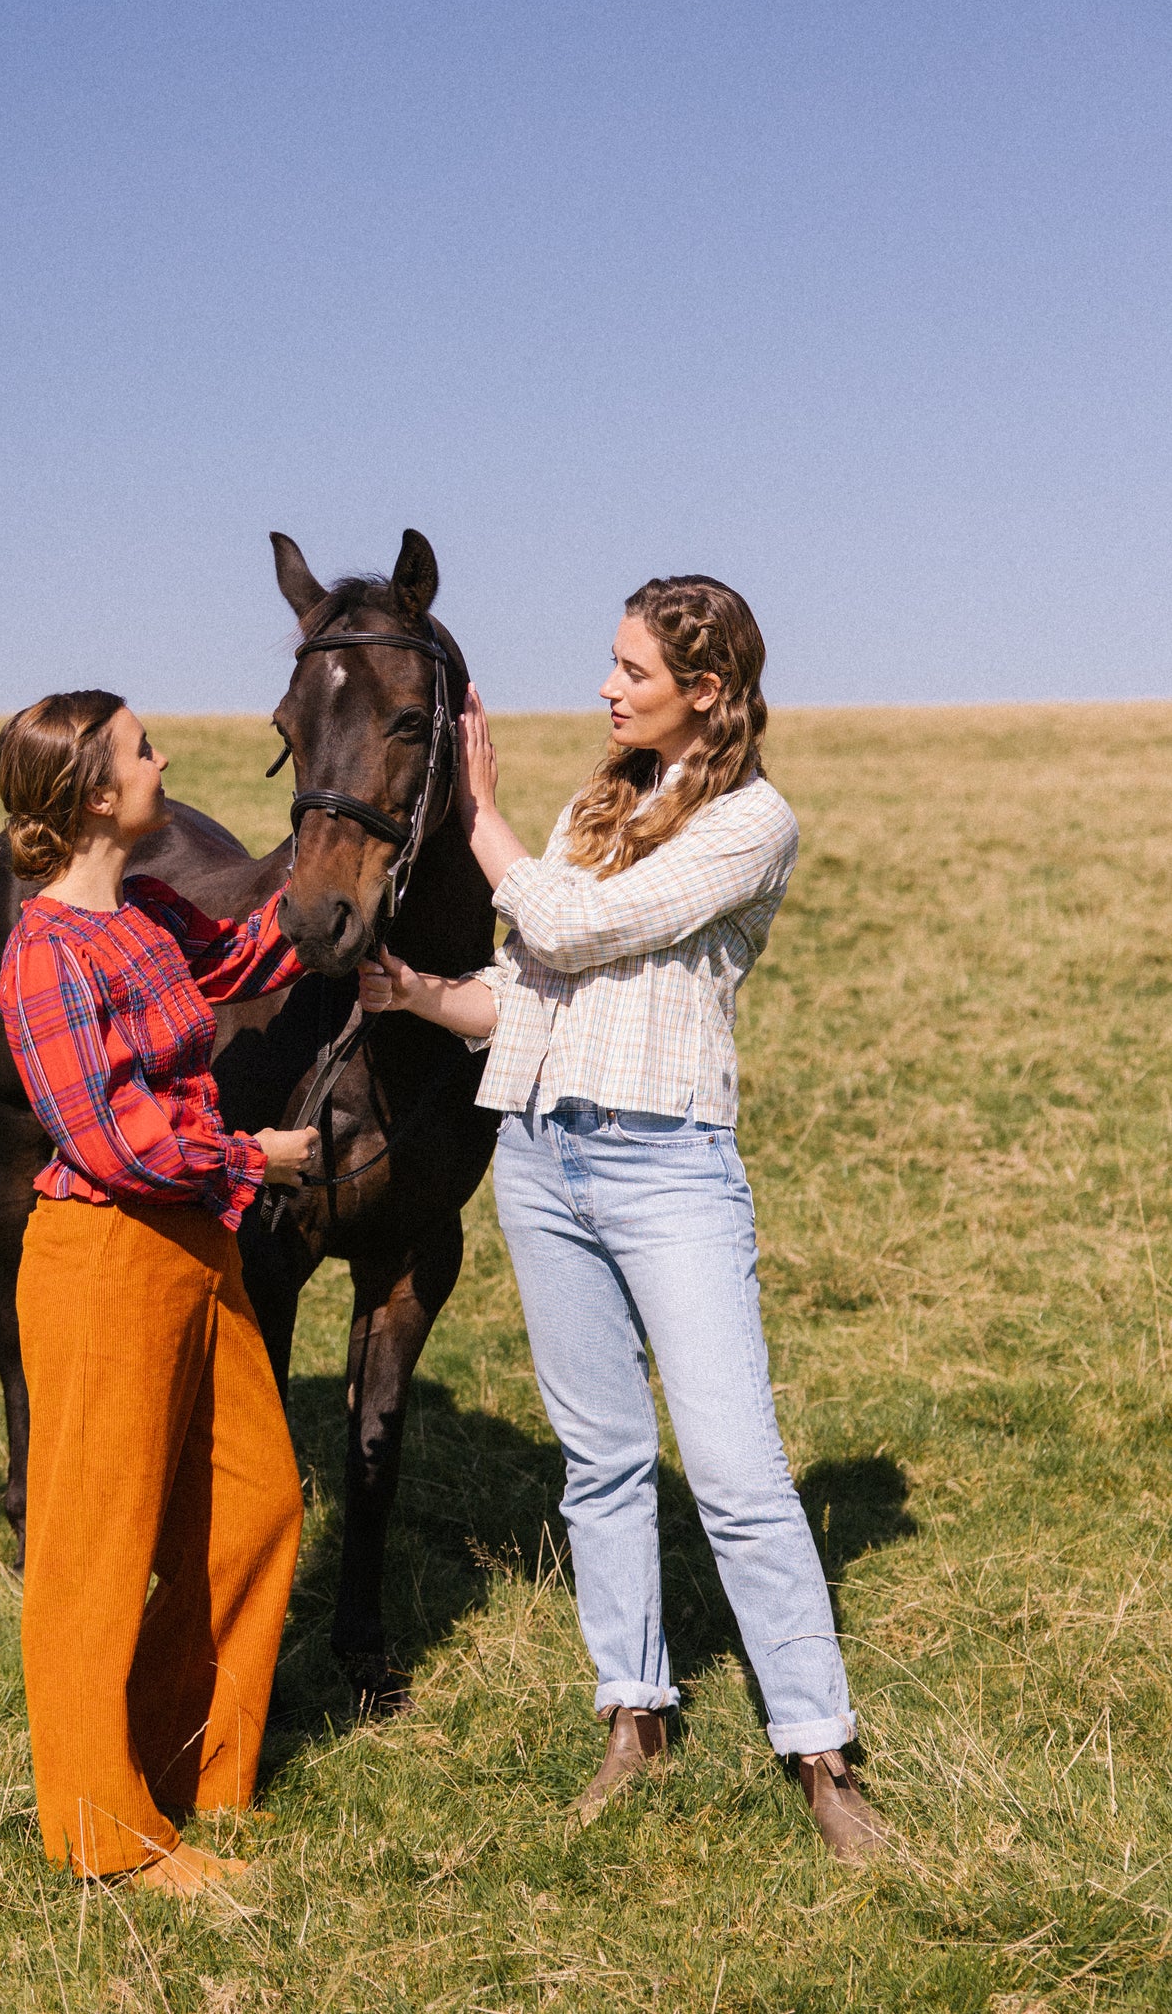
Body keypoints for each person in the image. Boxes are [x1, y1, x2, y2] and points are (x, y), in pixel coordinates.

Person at [358, 578, 889, 1861]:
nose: (603, 686)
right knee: (596, 1462)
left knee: (736, 1471)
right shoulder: (596, 803)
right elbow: (534, 990)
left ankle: (819, 1749)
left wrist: (479, 816)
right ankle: (632, 1715)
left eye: (628, 669)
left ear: (704, 690)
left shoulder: (753, 823)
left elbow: (573, 921)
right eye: (608, 663)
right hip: (541, 1155)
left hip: (666, 1168)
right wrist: (422, 993)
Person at [0, 689, 321, 1896]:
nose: (162, 759)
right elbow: (112, 1139)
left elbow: (248, 953)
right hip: (105, 1258)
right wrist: (254, 1156)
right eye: (141, 750)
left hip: (194, 1251)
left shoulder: (143, 912)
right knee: (94, 1548)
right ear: (92, 792)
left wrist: (347, 852)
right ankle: (104, 1836)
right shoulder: (44, 954)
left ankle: (187, 1772)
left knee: (256, 1505)